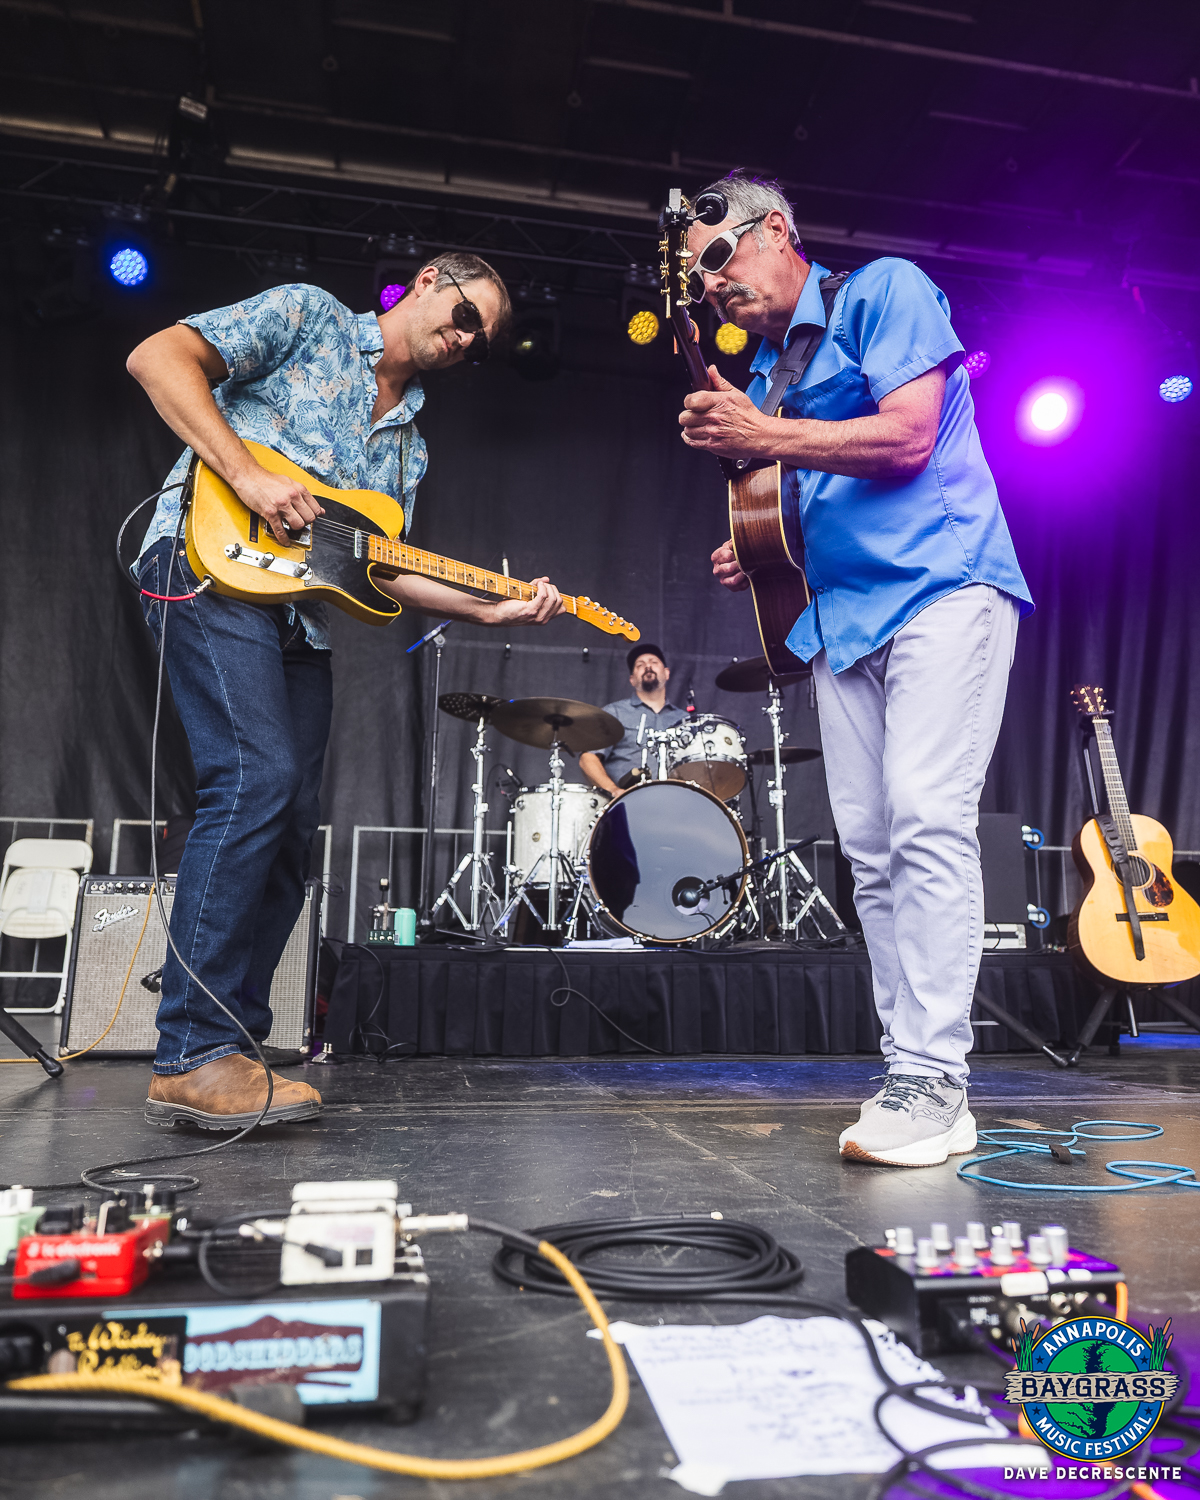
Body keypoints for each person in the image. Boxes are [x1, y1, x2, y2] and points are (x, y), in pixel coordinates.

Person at [128, 253, 564, 1131]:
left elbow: (379, 572)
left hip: (299, 621)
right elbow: (156, 357)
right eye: (467, 314)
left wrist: (493, 611)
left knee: (289, 825)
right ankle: (190, 1051)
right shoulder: (309, 317)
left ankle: (231, 1050)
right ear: (433, 278)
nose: (466, 339)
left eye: (481, 342)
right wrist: (247, 472)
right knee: (252, 779)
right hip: (204, 564)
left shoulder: (410, 441)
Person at [679, 171, 1032, 1168]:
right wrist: (757, 541)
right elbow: (798, 492)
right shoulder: (769, 378)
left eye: (718, 259)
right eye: (696, 279)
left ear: (775, 231)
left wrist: (764, 438)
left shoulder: (884, 290)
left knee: (925, 815)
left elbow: (909, 435)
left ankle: (938, 1079)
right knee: (870, 849)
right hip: (842, 623)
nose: (712, 287)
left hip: (942, 588)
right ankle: (907, 1064)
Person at [580, 646, 685, 797]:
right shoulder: (614, 713)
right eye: (640, 665)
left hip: (677, 805)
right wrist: (613, 791)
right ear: (632, 679)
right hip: (628, 804)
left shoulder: (684, 720)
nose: (648, 666)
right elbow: (588, 758)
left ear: (667, 673)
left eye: (654, 662)